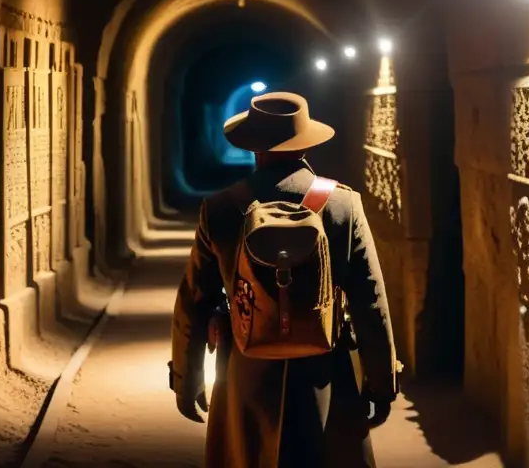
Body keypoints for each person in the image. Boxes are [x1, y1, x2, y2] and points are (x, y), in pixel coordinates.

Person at [170, 91, 399, 467]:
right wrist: (381, 382)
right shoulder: (343, 205)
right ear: (305, 144)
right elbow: (370, 299)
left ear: (252, 148)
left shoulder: (221, 209)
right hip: (324, 371)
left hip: (244, 373)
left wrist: (186, 376)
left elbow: (194, 298)